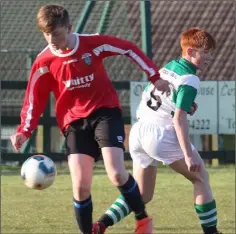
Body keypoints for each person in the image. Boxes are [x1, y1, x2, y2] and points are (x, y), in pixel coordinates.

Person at [9, 4, 172, 234]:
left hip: (105, 112)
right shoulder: (43, 61)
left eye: (56, 33)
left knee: (116, 172)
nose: (52, 40)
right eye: (47, 35)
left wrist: (154, 77)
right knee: (80, 186)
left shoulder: (92, 43)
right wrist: (24, 131)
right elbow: (33, 100)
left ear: (69, 28)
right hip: (75, 124)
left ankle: (143, 221)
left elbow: (129, 49)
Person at [92, 28, 222, 234]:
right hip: (160, 134)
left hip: (139, 131)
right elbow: (179, 119)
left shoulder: (168, 67)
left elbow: (158, 96)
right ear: (190, 52)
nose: (209, 57)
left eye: (210, 52)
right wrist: (188, 154)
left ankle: (101, 224)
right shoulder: (190, 78)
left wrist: (185, 105)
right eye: (205, 52)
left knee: (142, 193)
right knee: (200, 178)